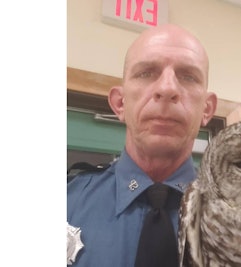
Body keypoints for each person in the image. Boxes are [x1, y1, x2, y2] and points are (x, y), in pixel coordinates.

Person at [67, 24, 217, 266]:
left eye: (188, 76)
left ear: (207, 109)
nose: (167, 89)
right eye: (146, 72)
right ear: (120, 103)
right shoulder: (66, 202)